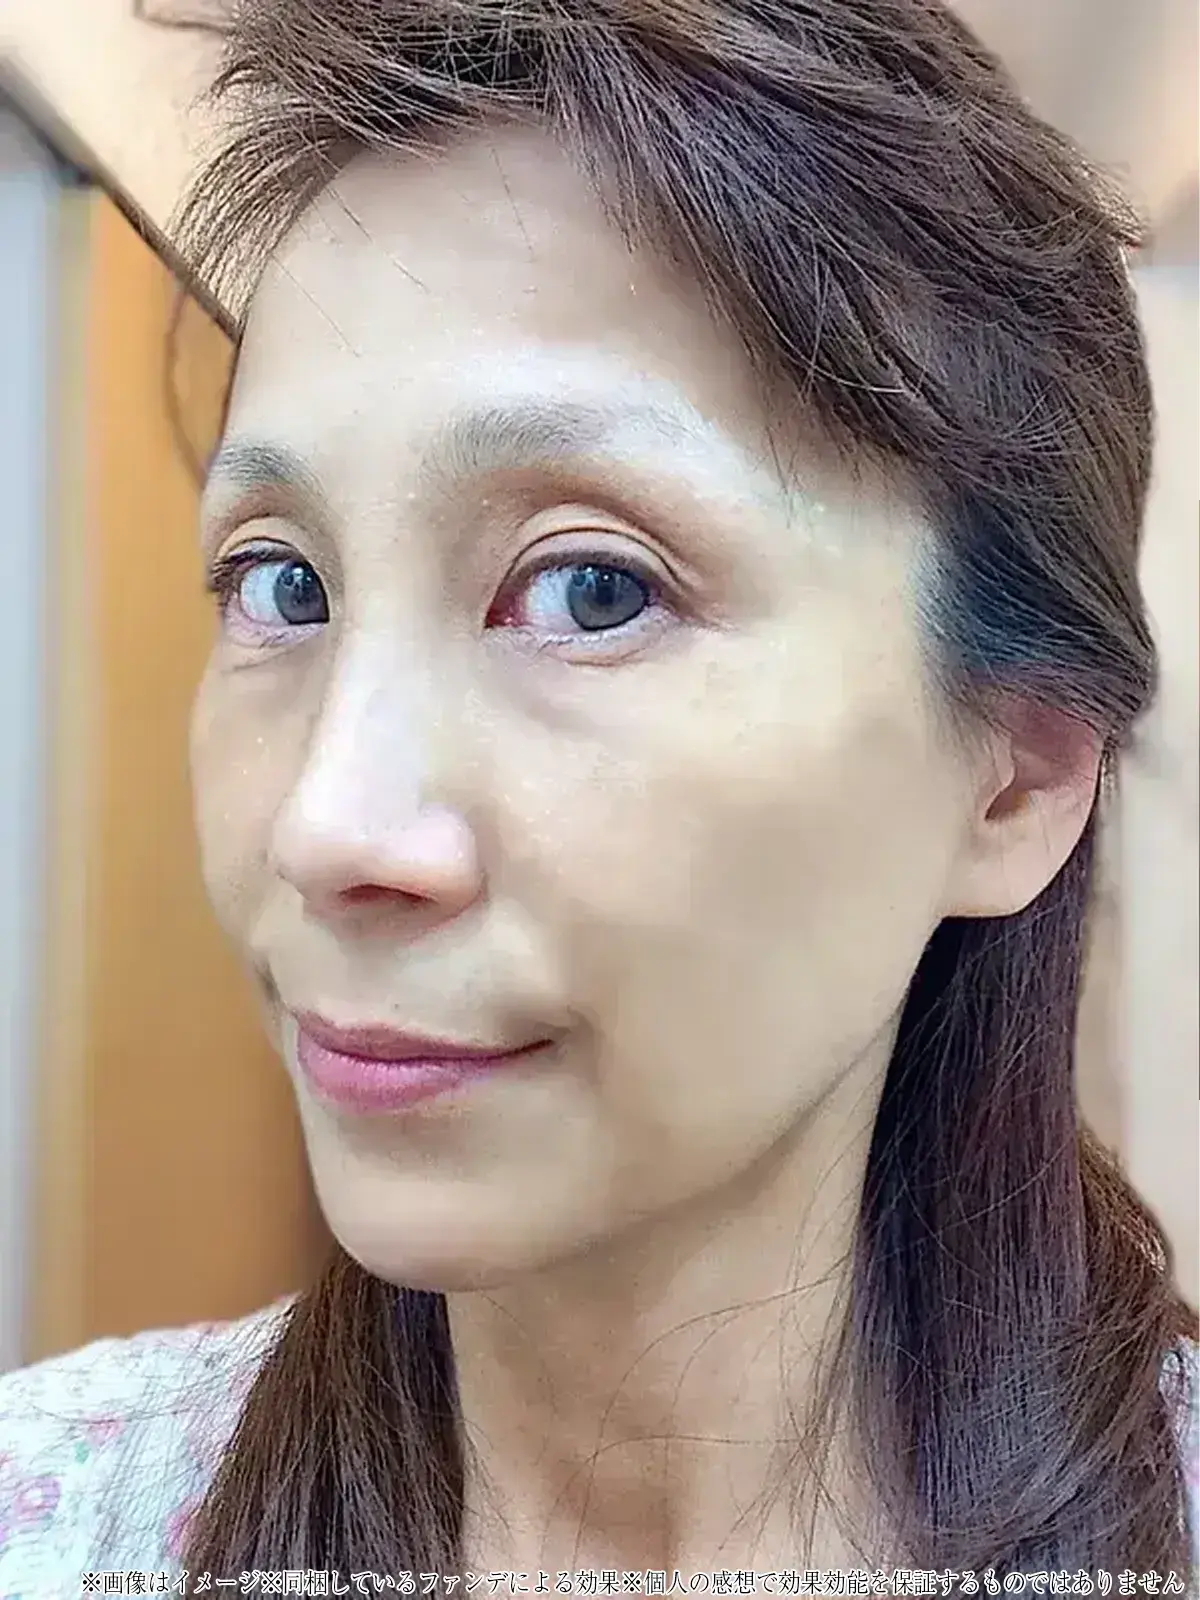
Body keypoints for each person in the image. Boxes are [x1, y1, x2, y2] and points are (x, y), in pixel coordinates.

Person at [2, 0, 1197, 1589]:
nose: (327, 827)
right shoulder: (56, 1520)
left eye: (591, 591)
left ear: (1018, 776)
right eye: (283, 584)